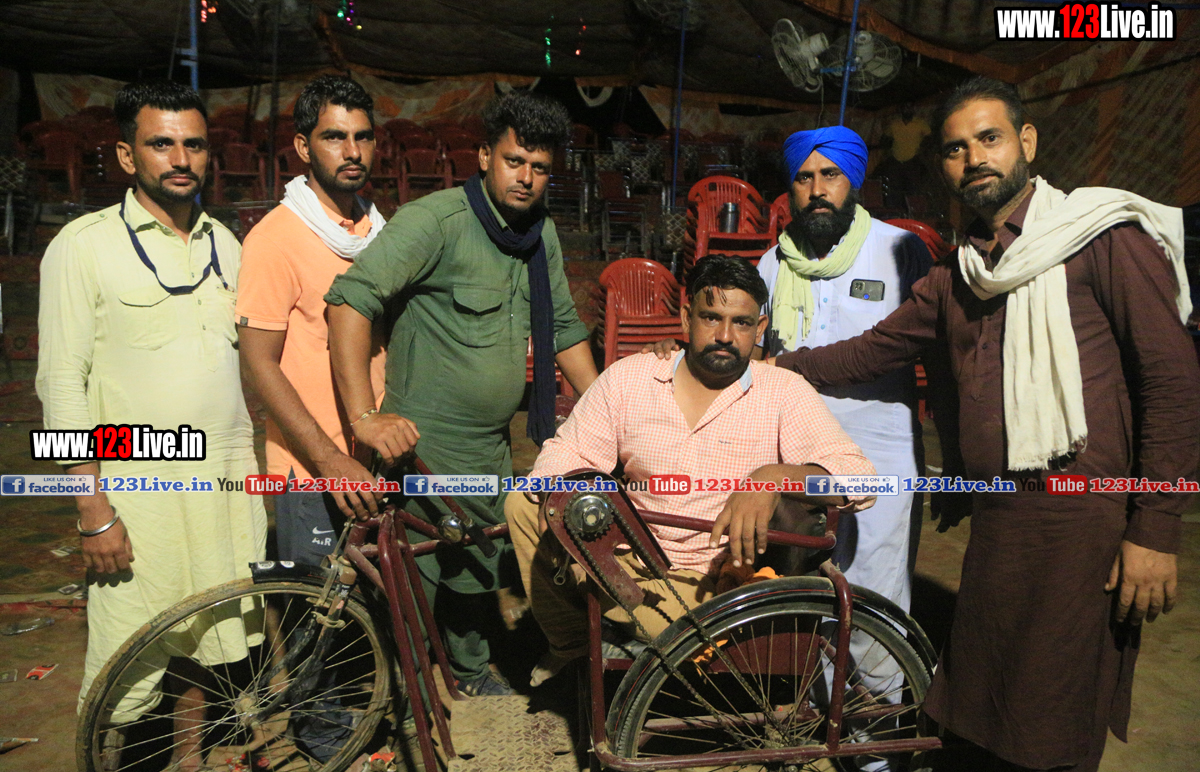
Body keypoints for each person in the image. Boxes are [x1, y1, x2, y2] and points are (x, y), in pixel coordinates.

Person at [773, 76, 1200, 772]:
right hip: (1001, 520)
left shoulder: (1101, 238)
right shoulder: (960, 272)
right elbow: (876, 349)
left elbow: (1172, 381)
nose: (974, 159)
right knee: (982, 705)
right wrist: (775, 366)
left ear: (1025, 142)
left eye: (989, 138)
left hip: (1083, 521)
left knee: (1056, 720)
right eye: (955, 148)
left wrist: (1154, 530)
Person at [325, 91, 599, 697]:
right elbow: (348, 303)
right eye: (514, 161)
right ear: (483, 156)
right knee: (418, 574)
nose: (526, 178)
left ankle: (469, 671)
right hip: (426, 443)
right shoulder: (436, 222)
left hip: (491, 444)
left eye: (540, 167)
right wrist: (364, 416)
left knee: (479, 565)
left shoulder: (541, 235)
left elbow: (564, 328)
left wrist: (613, 413)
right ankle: (408, 695)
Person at [37, 80, 267, 772]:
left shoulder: (227, 244)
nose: (180, 158)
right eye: (161, 143)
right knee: (125, 644)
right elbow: (60, 385)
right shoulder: (83, 246)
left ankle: (189, 770)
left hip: (221, 481)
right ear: (126, 155)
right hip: (137, 489)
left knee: (205, 631)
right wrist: (92, 509)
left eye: (193, 144)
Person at [506, 254, 877, 686]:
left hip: (716, 584)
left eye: (741, 323)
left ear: (759, 329)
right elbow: (568, 450)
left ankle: (654, 629)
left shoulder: (783, 393)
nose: (724, 336)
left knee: (685, 613)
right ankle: (574, 647)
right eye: (711, 318)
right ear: (686, 318)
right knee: (524, 504)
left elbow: (862, 480)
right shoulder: (631, 378)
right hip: (628, 558)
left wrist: (775, 477)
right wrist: (557, 494)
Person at [235, 75, 403, 772]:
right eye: (335, 136)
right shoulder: (276, 238)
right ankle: (326, 743)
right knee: (316, 616)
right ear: (303, 146)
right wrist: (330, 457)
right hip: (311, 465)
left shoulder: (381, 232)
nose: (352, 150)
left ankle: (369, 717)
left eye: (363, 136)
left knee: (371, 603)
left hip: (376, 455)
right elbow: (259, 365)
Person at [759, 125, 931, 629]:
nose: (817, 190)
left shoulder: (901, 250)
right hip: (797, 451)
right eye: (804, 178)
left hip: (883, 448)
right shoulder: (773, 263)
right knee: (803, 582)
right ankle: (816, 682)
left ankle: (878, 684)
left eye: (830, 175)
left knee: (876, 590)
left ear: (852, 180)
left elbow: (936, 352)